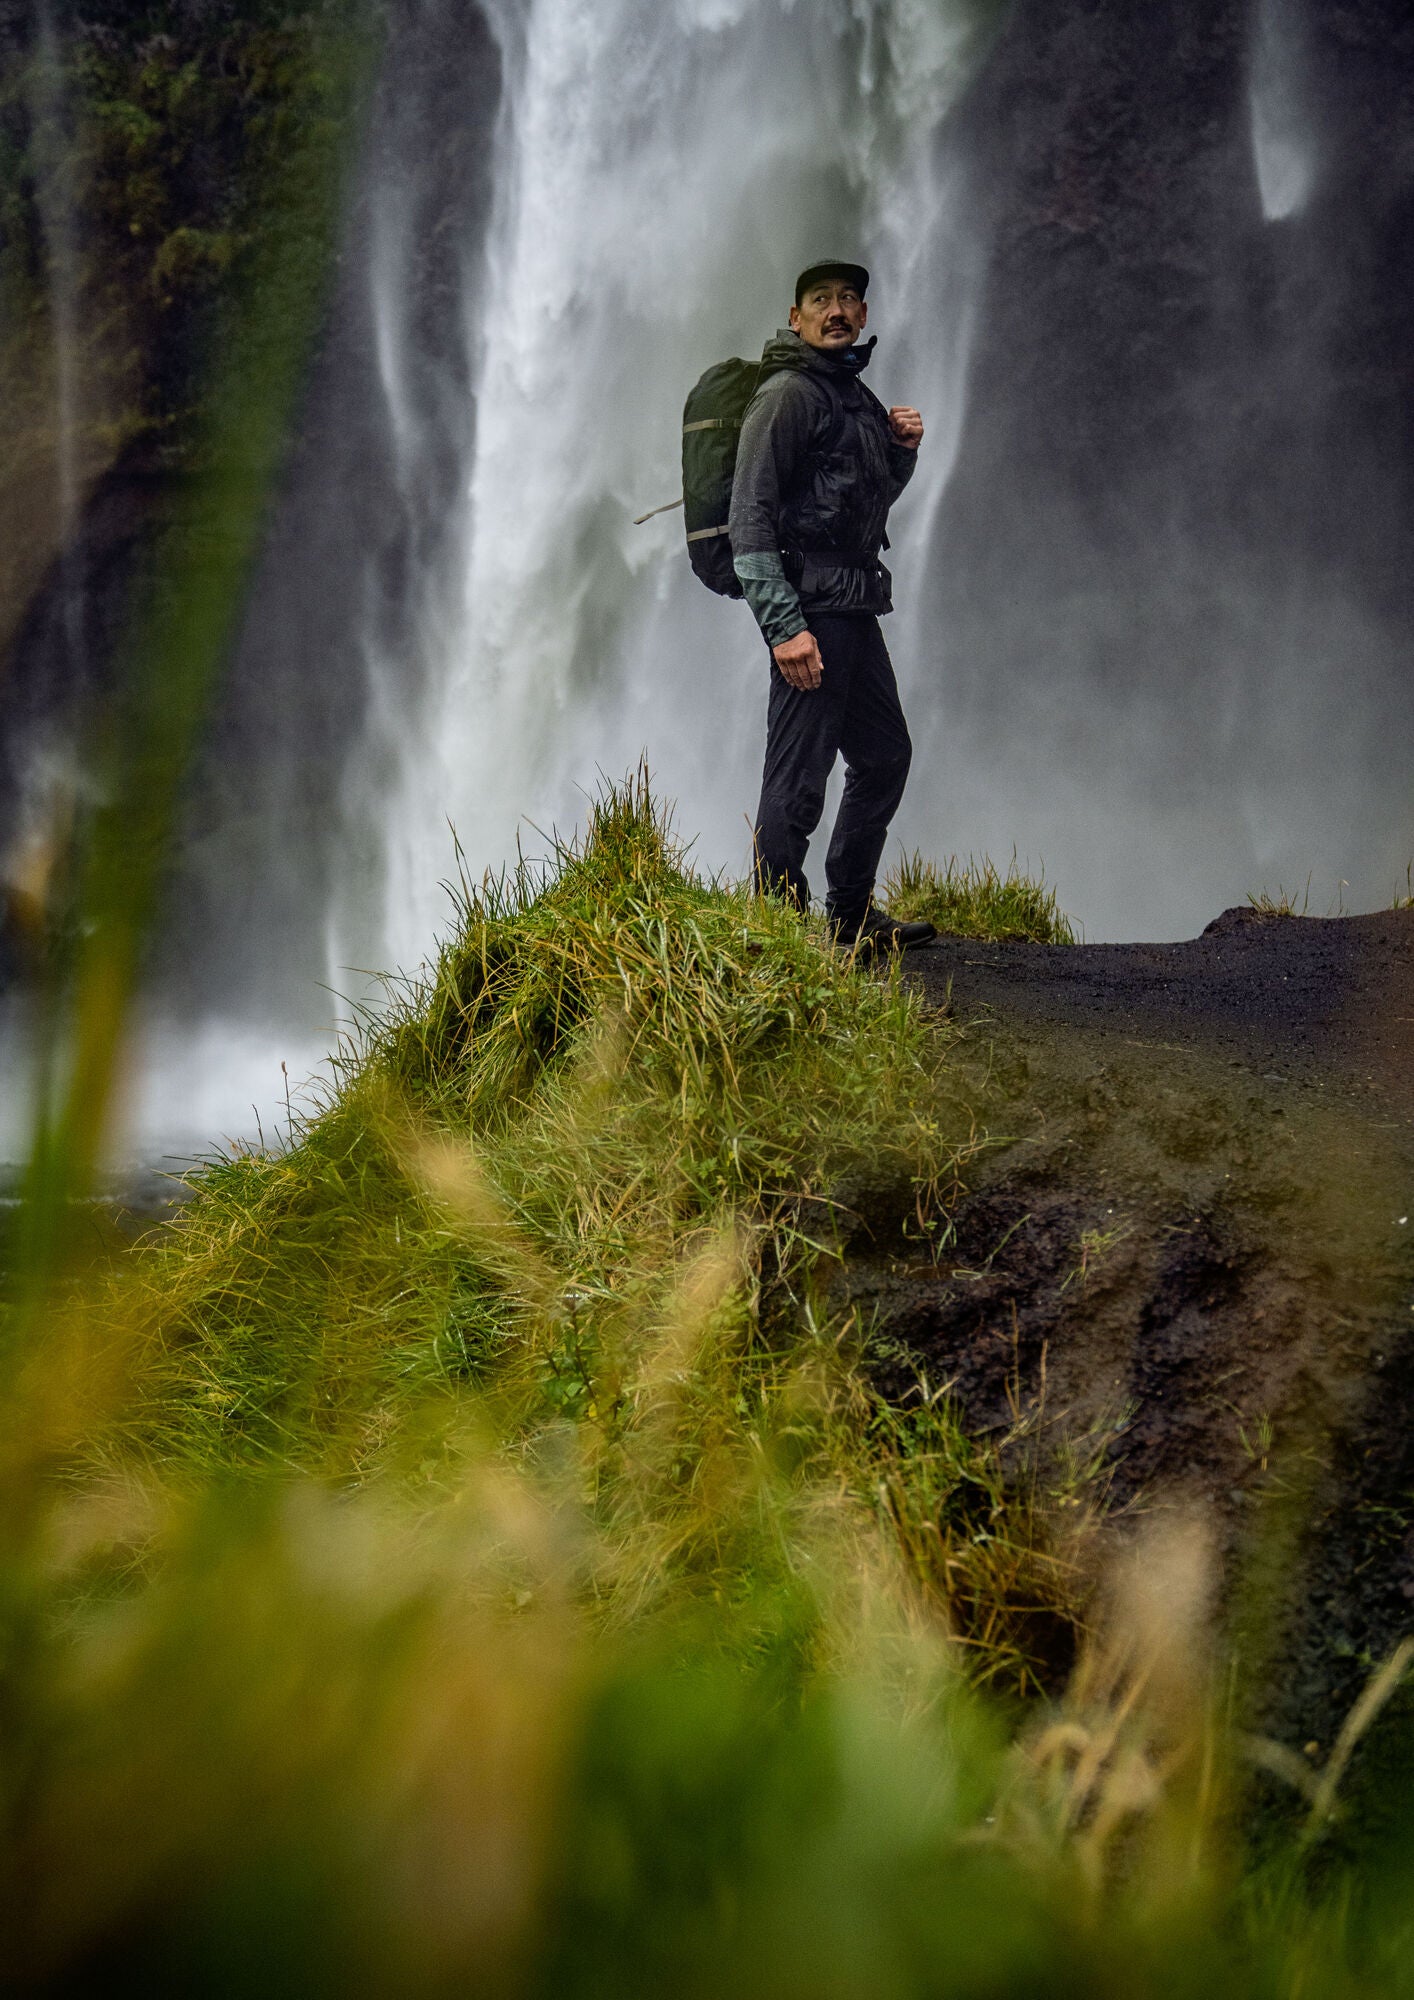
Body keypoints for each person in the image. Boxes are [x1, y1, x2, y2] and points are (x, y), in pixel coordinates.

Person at [728, 260, 936, 953]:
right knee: (796, 781)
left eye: (849, 299)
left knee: (884, 757)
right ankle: (779, 937)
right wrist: (784, 628)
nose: (837, 309)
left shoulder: (854, 398)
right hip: (810, 616)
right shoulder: (786, 395)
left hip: (853, 610)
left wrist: (899, 453)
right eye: (821, 300)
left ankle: (848, 912)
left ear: (865, 315)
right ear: (796, 318)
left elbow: (857, 509)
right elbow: (748, 521)